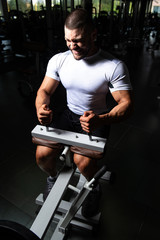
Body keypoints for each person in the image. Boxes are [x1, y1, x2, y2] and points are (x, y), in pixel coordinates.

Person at [34, 8, 133, 218]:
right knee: (42, 156)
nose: (72, 46)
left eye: (78, 40)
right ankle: (52, 177)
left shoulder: (113, 66)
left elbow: (126, 104)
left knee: (83, 162)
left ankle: (93, 187)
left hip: (95, 120)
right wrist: (40, 109)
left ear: (93, 34)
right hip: (68, 115)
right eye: (68, 40)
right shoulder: (59, 60)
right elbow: (44, 90)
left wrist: (102, 119)